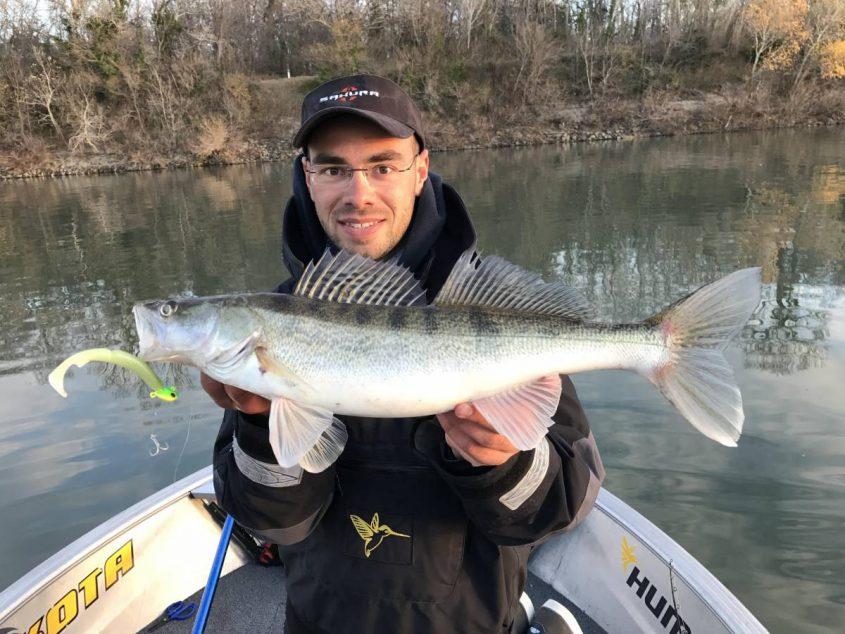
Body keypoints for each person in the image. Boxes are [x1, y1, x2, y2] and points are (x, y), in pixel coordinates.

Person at [204, 74, 605, 633]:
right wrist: (258, 426)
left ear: (420, 171)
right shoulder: (275, 323)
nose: (358, 193)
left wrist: (505, 462)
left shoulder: (486, 310)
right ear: (307, 177)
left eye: (383, 166)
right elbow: (270, 523)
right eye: (333, 168)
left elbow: (560, 510)